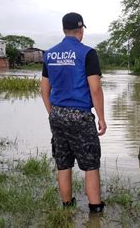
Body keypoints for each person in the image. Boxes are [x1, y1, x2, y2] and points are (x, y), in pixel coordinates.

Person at [41, 12, 106, 213]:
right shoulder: (87, 53)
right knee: (91, 164)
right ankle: (95, 209)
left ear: (63, 30)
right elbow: (95, 89)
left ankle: (67, 206)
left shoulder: (49, 54)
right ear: (81, 30)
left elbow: (44, 90)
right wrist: (101, 118)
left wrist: (53, 112)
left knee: (63, 163)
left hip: (57, 114)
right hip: (80, 115)